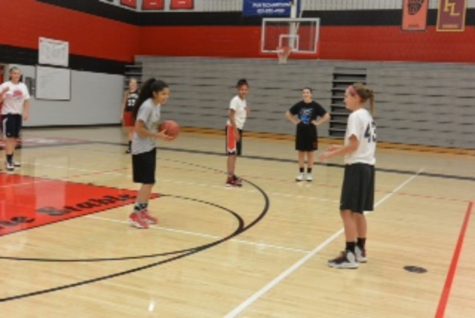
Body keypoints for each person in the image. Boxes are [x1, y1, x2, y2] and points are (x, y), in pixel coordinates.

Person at [320, 83, 376, 269]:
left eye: (346, 96)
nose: (344, 99)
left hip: (357, 167)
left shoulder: (355, 116)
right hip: (367, 167)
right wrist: (339, 148)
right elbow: (358, 145)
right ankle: (360, 250)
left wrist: (331, 155)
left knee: (346, 211)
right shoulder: (367, 116)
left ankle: (350, 255)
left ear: (356, 98)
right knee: (358, 212)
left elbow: (353, 147)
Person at [129, 78, 174, 229]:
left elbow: (151, 126)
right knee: (147, 181)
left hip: (150, 146)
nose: (166, 97)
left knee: (150, 181)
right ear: (155, 93)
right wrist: (158, 136)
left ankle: (143, 211)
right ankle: (135, 214)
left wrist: (163, 130)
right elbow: (138, 129)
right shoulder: (147, 106)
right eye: (163, 94)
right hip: (141, 148)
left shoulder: (157, 105)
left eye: (168, 94)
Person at [286, 87, 330, 181]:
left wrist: (318, 123)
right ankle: (301, 173)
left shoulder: (315, 105)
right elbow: (288, 114)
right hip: (300, 132)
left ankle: (309, 174)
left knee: (310, 153)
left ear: (311, 94)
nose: (305, 94)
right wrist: (295, 122)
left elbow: (327, 116)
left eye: (307, 92)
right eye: (304, 92)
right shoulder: (298, 105)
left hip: (311, 133)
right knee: (301, 153)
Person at [0, 66, 31, 172]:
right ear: (10, 74)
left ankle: (10, 158)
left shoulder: (23, 86)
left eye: (18, 73)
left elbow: (26, 100)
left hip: (18, 115)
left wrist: (26, 112)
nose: (16, 75)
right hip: (7, 115)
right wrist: (2, 92)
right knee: (9, 139)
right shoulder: (5, 85)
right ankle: (9, 161)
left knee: (14, 139)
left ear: (20, 75)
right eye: (14, 73)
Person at [225, 79, 249, 187]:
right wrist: (235, 131)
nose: (244, 91)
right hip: (232, 128)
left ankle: (232, 175)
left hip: (238, 128)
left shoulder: (243, 101)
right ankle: (229, 179)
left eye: (245, 89)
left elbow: (240, 113)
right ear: (237, 90)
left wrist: (246, 111)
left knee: (234, 154)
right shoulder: (235, 100)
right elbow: (230, 115)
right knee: (231, 154)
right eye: (242, 89)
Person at [122, 78, 140, 153]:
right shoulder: (127, 93)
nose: (132, 84)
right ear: (129, 84)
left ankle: (136, 146)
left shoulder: (139, 93)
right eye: (131, 83)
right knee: (130, 131)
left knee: (136, 131)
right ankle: (130, 147)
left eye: (134, 83)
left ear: (136, 85)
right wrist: (122, 114)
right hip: (128, 113)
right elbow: (124, 103)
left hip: (136, 113)